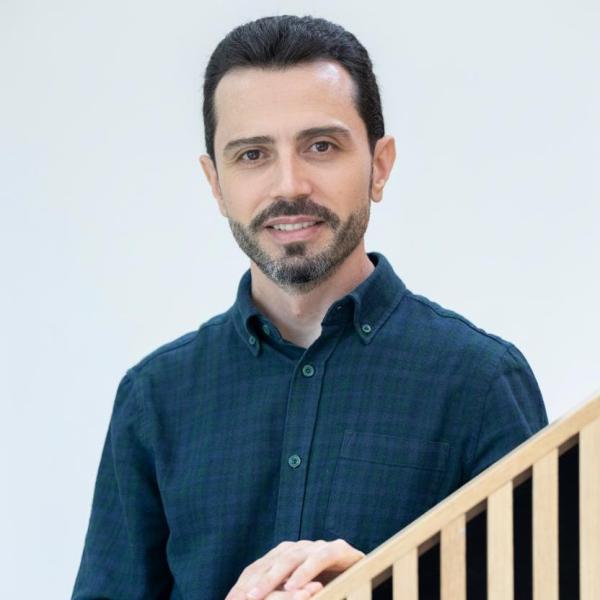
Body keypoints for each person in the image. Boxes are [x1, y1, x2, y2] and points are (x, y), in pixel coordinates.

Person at [72, 14, 548, 600]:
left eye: (321, 146)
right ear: (215, 183)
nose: (289, 185)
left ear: (379, 165)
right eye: (252, 154)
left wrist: (387, 589)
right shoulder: (154, 399)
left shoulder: (481, 382)